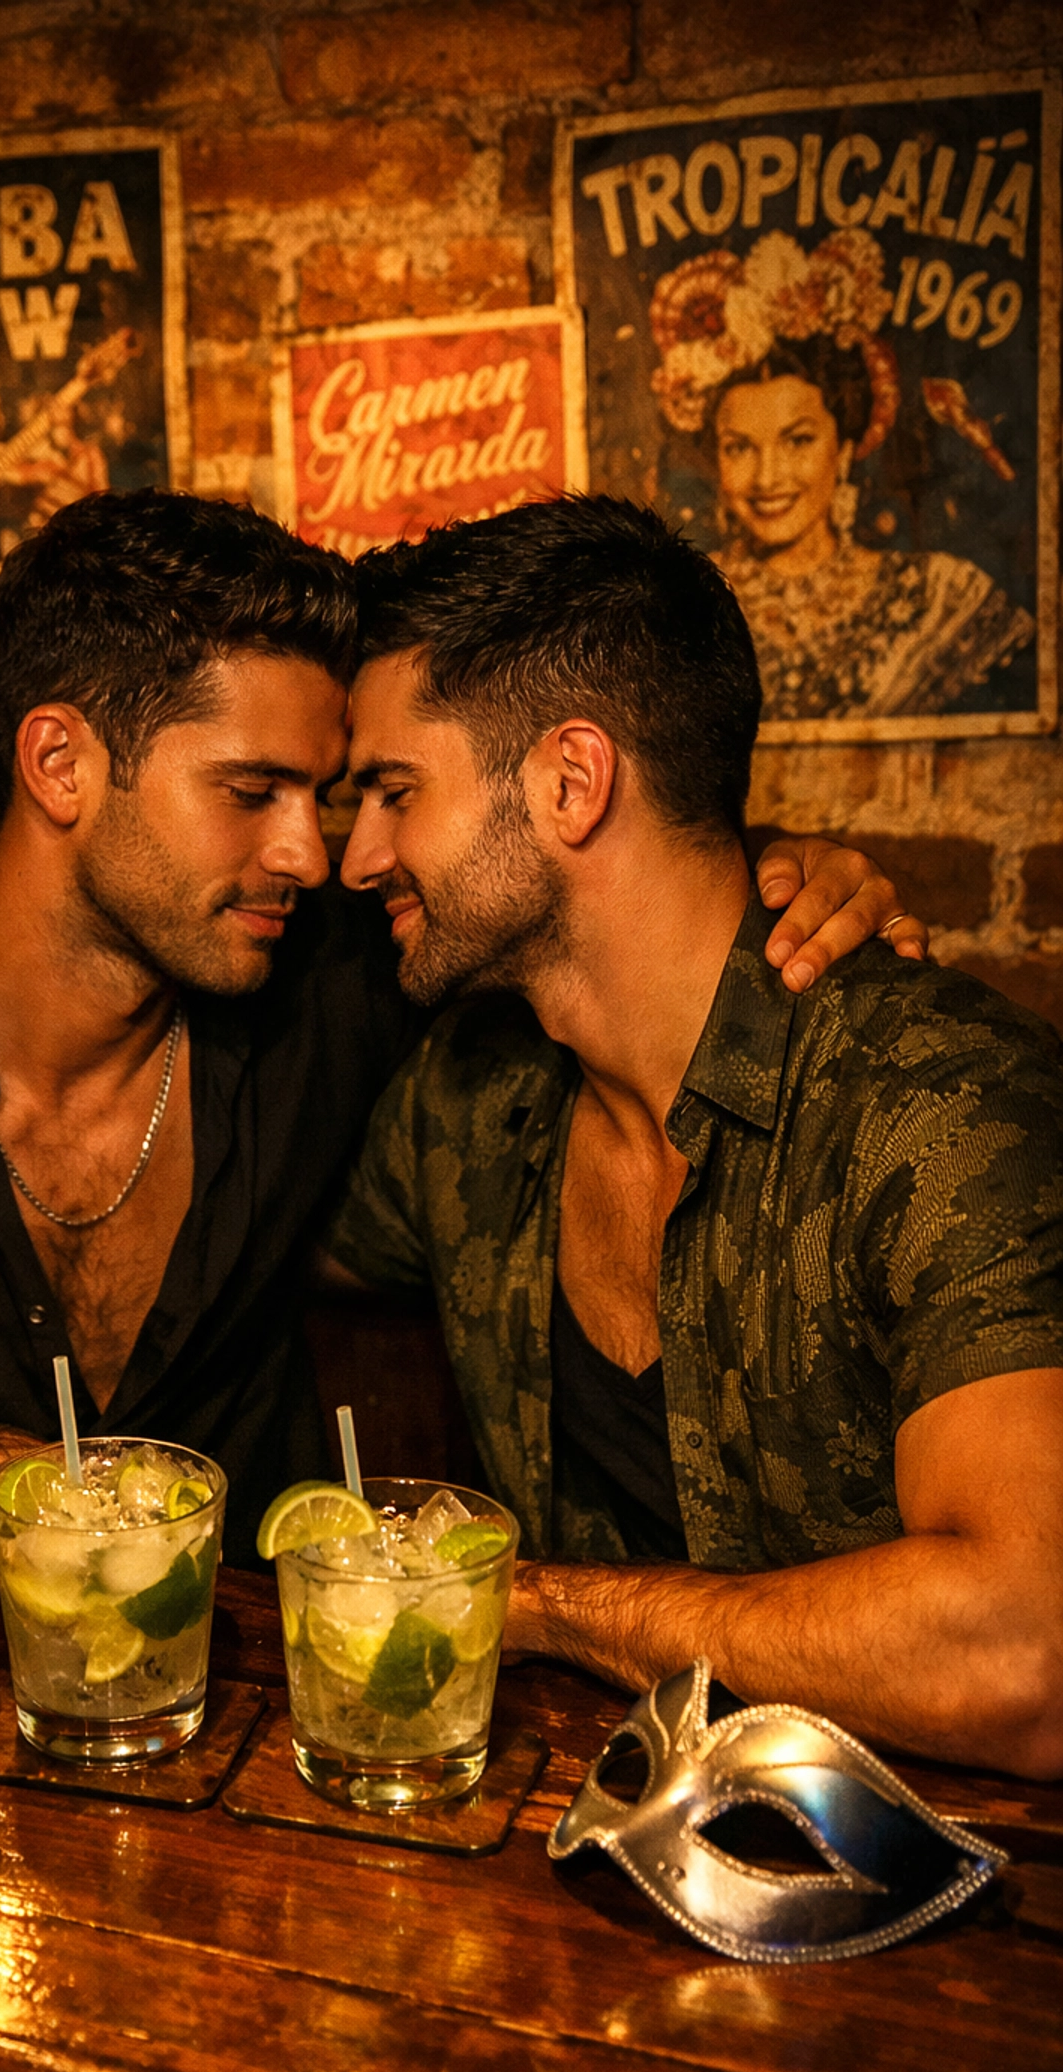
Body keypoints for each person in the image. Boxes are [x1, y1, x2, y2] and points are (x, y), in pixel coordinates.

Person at [0, 492, 920, 1566]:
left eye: (327, 795)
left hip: (244, 1737)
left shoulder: (327, 989)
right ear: (61, 764)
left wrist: (784, 866)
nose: (316, 855)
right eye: (253, 792)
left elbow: (597, 895)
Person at [328, 492, 1063, 1776]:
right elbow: (260, 1243)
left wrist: (544, 1605)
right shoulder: (466, 1099)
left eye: (395, 790)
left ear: (573, 781)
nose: (356, 854)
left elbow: (1029, 1651)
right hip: (564, 1869)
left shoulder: (935, 1107)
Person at [650, 227, 1035, 719]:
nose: (768, 477)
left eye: (798, 441)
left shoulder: (940, 598)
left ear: (845, 452)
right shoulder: (680, 611)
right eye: (740, 447)